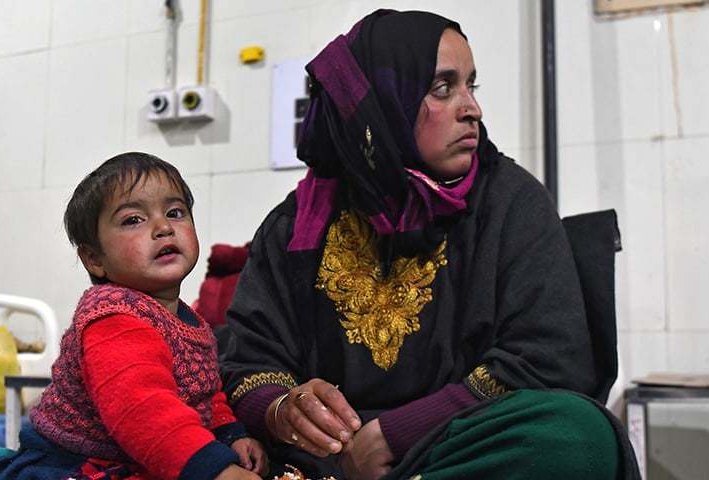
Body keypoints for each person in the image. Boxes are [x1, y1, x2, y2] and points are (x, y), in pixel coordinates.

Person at [220, 10, 639, 480]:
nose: (472, 109)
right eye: (443, 88)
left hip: (453, 447)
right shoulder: (297, 224)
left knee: (578, 436)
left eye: (471, 87)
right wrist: (283, 411)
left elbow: (545, 360)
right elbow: (248, 359)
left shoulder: (509, 201)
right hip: (325, 464)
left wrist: (394, 434)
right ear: (384, 102)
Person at [0, 153, 267, 480]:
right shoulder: (113, 316)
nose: (163, 228)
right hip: (76, 463)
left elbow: (205, 392)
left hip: (151, 452)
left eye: (175, 213)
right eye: (134, 220)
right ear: (94, 258)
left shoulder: (191, 321)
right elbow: (143, 409)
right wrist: (217, 471)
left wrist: (231, 434)